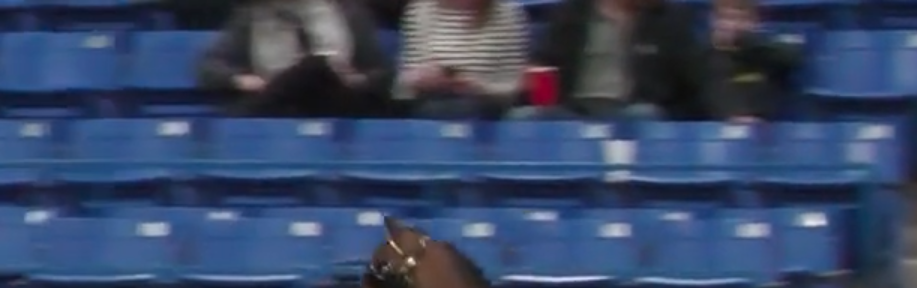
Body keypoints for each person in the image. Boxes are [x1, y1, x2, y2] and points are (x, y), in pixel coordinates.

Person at [197, 0, 393, 117]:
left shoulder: (350, 13)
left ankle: (242, 119)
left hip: (336, 100)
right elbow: (208, 69)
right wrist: (241, 80)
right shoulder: (250, 17)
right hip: (279, 104)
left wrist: (360, 80)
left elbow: (382, 72)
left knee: (315, 66)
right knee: (307, 70)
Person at [524, 0, 714, 120]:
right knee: (523, 117)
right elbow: (543, 62)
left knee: (643, 114)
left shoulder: (669, 19)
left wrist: (731, 112)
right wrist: (544, 102)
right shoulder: (572, 12)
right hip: (573, 111)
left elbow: (699, 76)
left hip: (630, 111)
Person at [393, 0, 530, 119]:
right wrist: (420, 78)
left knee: (464, 109)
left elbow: (515, 86)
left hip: (488, 106)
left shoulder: (509, 15)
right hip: (431, 101)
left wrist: (478, 88)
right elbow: (404, 85)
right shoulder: (419, 12)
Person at [707, 0, 801, 121]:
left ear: (755, 22)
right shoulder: (704, 58)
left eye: (742, 19)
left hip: (766, 130)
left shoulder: (767, 53)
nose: (733, 25)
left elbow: (792, 56)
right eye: (727, 18)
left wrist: (744, 43)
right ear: (713, 21)